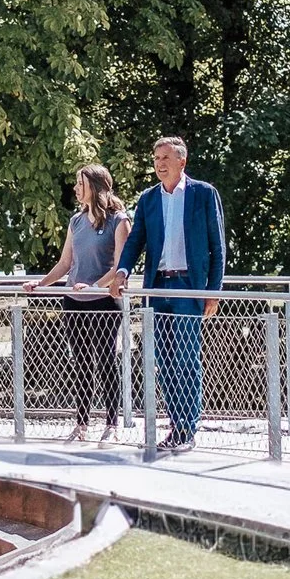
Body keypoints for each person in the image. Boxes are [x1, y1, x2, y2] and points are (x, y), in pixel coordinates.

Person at [105, 137, 225, 452]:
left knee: (186, 358)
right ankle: (177, 424)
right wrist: (122, 272)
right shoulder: (148, 199)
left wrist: (213, 291)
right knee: (164, 360)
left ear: (182, 162)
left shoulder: (203, 194)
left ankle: (187, 428)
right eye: (156, 157)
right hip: (157, 288)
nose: (160, 163)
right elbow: (135, 242)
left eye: (166, 157)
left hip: (188, 286)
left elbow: (218, 246)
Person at [23, 165, 130, 443]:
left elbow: (120, 266)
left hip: (104, 301)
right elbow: (65, 263)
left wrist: (95, 286)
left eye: (80, 183)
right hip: (74, 301)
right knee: (81, 362)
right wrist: (40, 284)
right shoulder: (76, 221)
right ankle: (81, 424)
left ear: (94, 186)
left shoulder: (119, 220)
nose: (75, 188)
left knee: (106, 360)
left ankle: (112, 424)